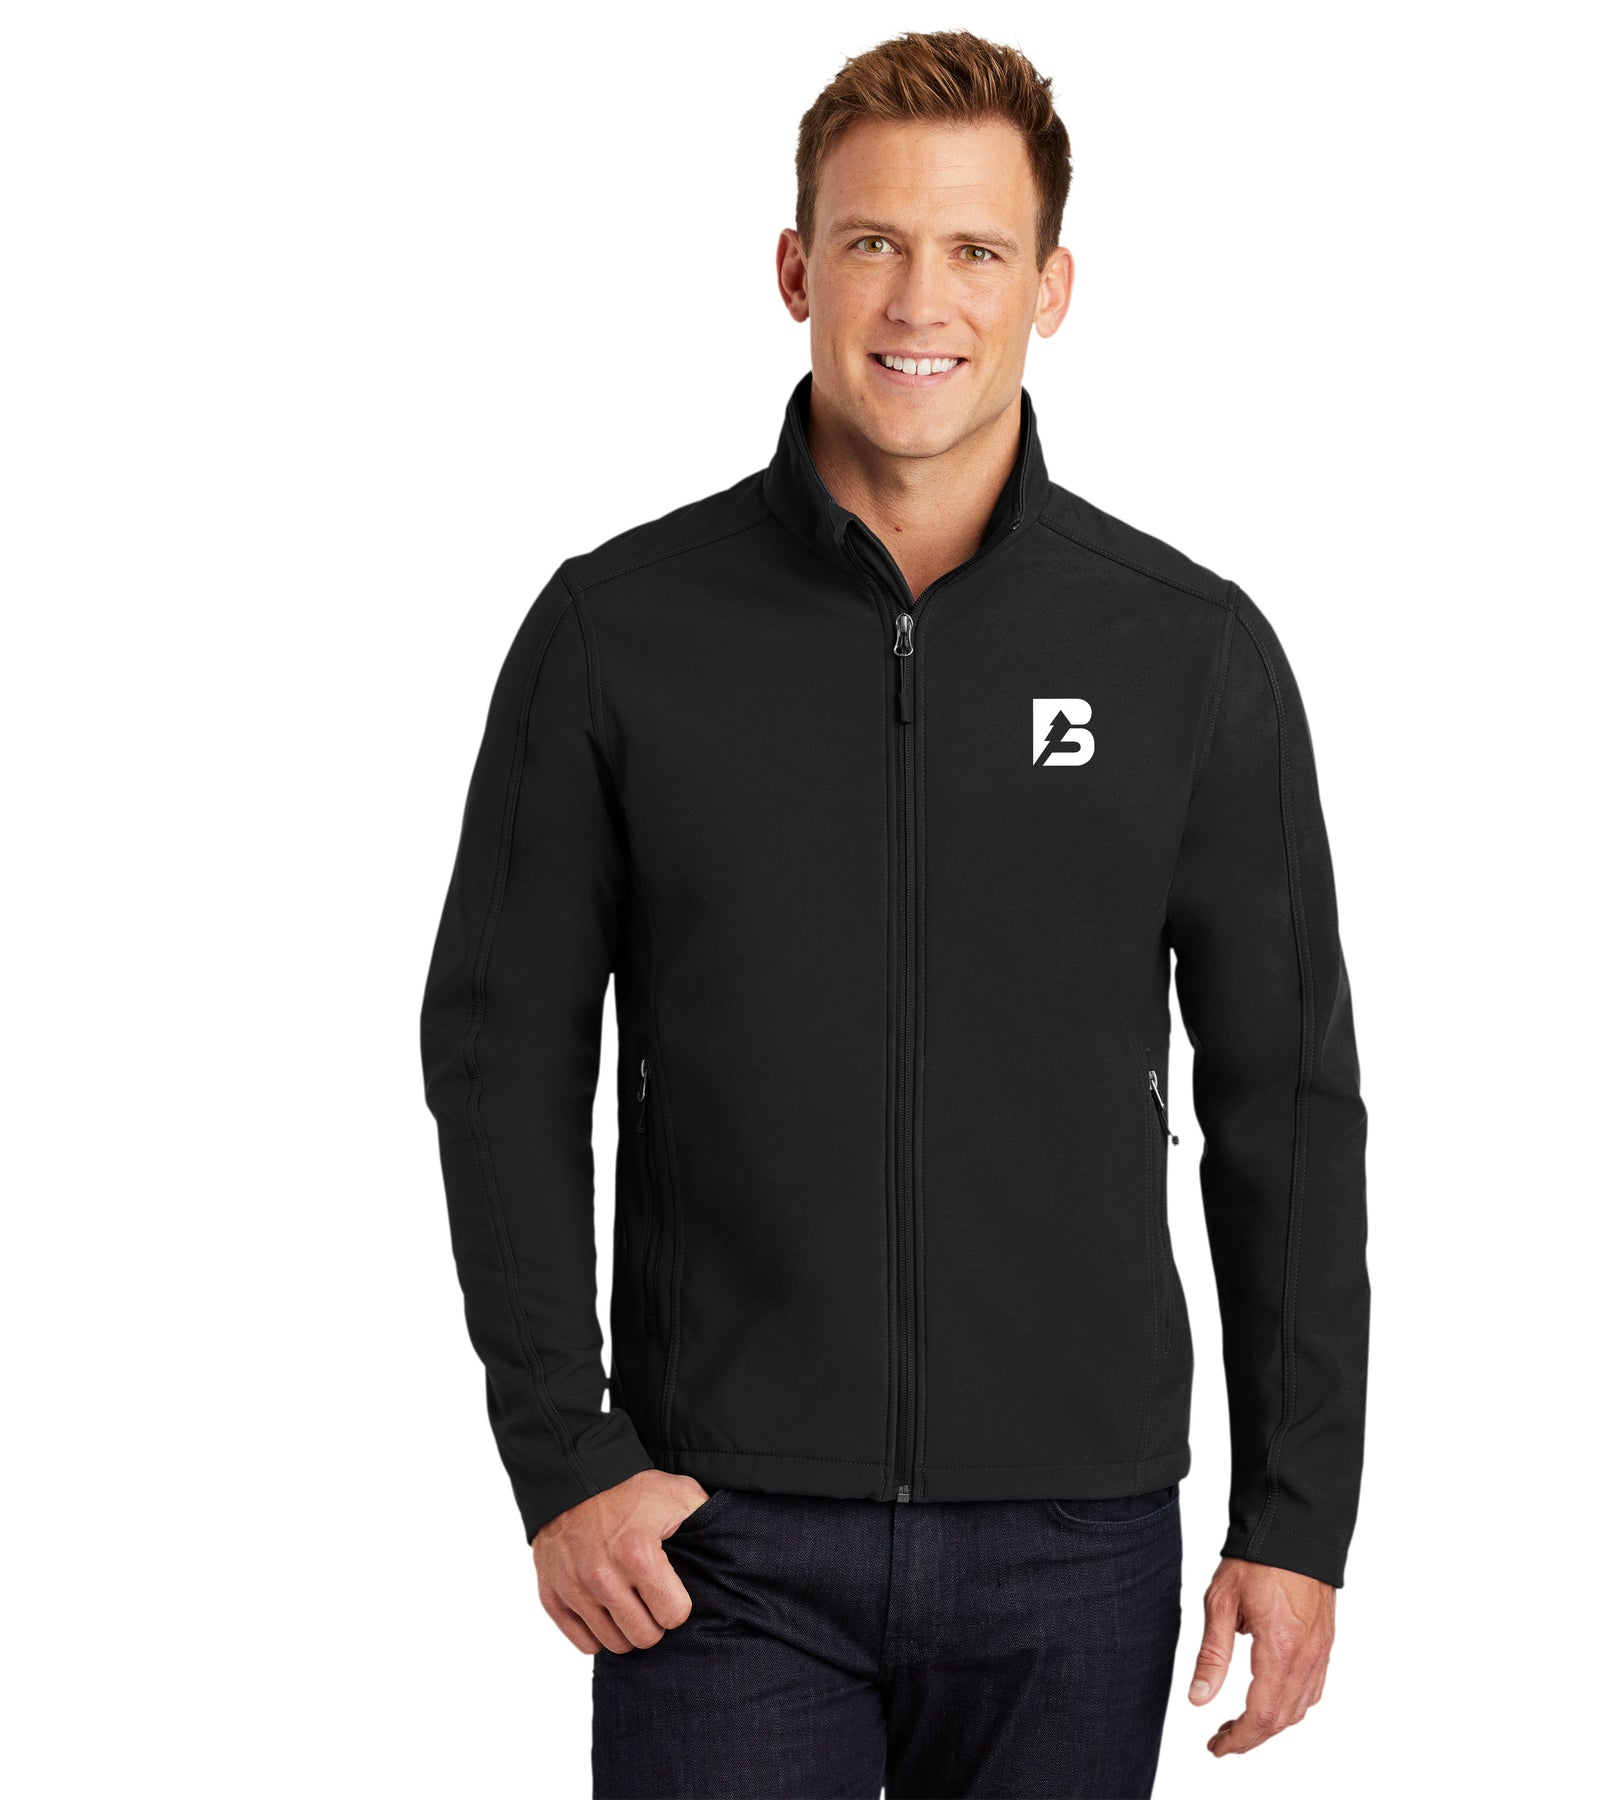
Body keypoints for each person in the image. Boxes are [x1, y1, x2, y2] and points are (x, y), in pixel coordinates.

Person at [420, 28, 1369, 1798]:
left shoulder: (1186, 654)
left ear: (1051, 289)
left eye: (976, 249)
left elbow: (1289, 1109)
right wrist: (563, 1453)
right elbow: (499, 1060)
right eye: (873, 241)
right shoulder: (618, 633)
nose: (920, 299)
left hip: (1074, 1539)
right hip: (714, 1541)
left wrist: (1297, 1513)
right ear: (796, 269)